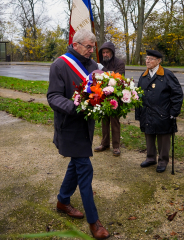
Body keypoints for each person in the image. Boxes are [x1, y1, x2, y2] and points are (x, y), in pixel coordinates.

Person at [47, 28, 110, 240]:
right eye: (88, 47)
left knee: (76, 164)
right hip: (69, 125)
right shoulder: (60, 65)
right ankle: (94, 222)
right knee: (85, 169)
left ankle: (63, 200)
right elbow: (53, 96)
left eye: (93, 47)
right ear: (76, 45)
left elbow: (97, 91)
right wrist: (76, 106)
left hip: (86, 127)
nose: (92, 51)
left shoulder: (93, 65)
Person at [135, 50, 183, 173]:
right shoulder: (144, 76)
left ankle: (163, 160)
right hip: (147, 112)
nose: (147, 61)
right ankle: (151, 158)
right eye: (147, 58)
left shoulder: (167, 75)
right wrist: (139, 113)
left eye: (151, 58)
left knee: (163, 137)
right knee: (149, 135)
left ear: (158, 61)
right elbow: (138, 95)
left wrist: (174, 112)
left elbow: (177, 94)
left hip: (163, 113)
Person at [94, 42, 125, 157]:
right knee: (104, 120)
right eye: (103, 52)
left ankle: (116, 146)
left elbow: (118, 79)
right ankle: (105, 143)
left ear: (112, 52)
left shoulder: (119, 63)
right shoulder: (99, 63)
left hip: (115, 95)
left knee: (114, 121)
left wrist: (103, 70)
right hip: (102, 95)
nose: (105, 54)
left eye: (107, 52)